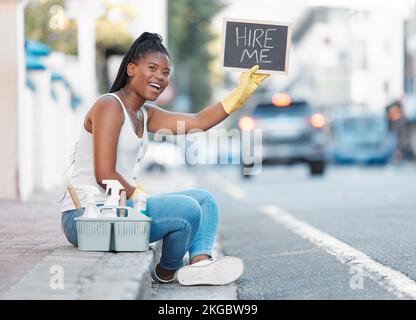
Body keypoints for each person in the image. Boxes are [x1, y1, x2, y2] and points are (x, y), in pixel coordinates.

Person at [60, 32, 269, 285]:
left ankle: (200, 265)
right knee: (187, 210)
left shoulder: (144, 113)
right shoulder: (109, 106)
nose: (160, 77)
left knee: (204, 200)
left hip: (121, 210)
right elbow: (105, 175)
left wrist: (239, 94)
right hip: (87, 217)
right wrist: (139, 195)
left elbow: (198, 122)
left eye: (166, 72)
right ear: (131, 68)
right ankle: (167, 271)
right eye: (153, 68)